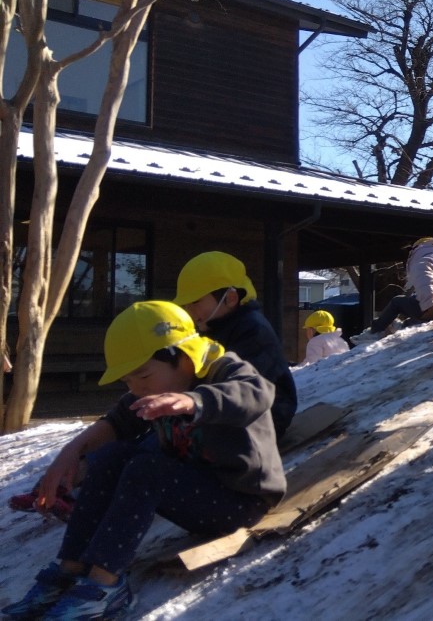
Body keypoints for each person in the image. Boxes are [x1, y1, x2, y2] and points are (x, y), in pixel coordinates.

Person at [2, 301, 284, 620]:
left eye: (143, 375)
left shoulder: (225, 370)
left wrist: (192, 401)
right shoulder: (153, 389)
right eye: (127, 381)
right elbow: (118, 422)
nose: (136, 388)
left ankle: (103, 587)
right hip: (192, 494)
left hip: (241, 502)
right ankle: (70, 570)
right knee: (111, 456)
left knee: (147, 468)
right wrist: (71, 452)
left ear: (183, 357)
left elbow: (257, 393)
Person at [174, 251, 298, 439]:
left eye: (195, 301)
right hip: (226, 412)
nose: (189, 311)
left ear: (230, 298)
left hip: (265, 418)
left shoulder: (252, 331)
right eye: (185, 305)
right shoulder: (214, 326)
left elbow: (243, 387)